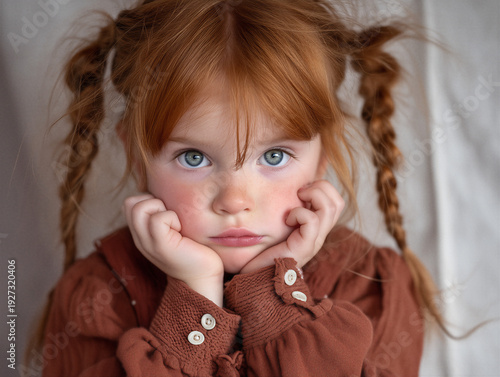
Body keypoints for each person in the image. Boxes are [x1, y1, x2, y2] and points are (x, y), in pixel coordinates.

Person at [30, 0, 443, 375]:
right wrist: (195, 298)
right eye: (194, 157)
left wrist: (271, 296)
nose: (235, 202)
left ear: (324, 154)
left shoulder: (371, 284)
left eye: (275, 156)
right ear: (137, 157)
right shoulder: (97, 294)